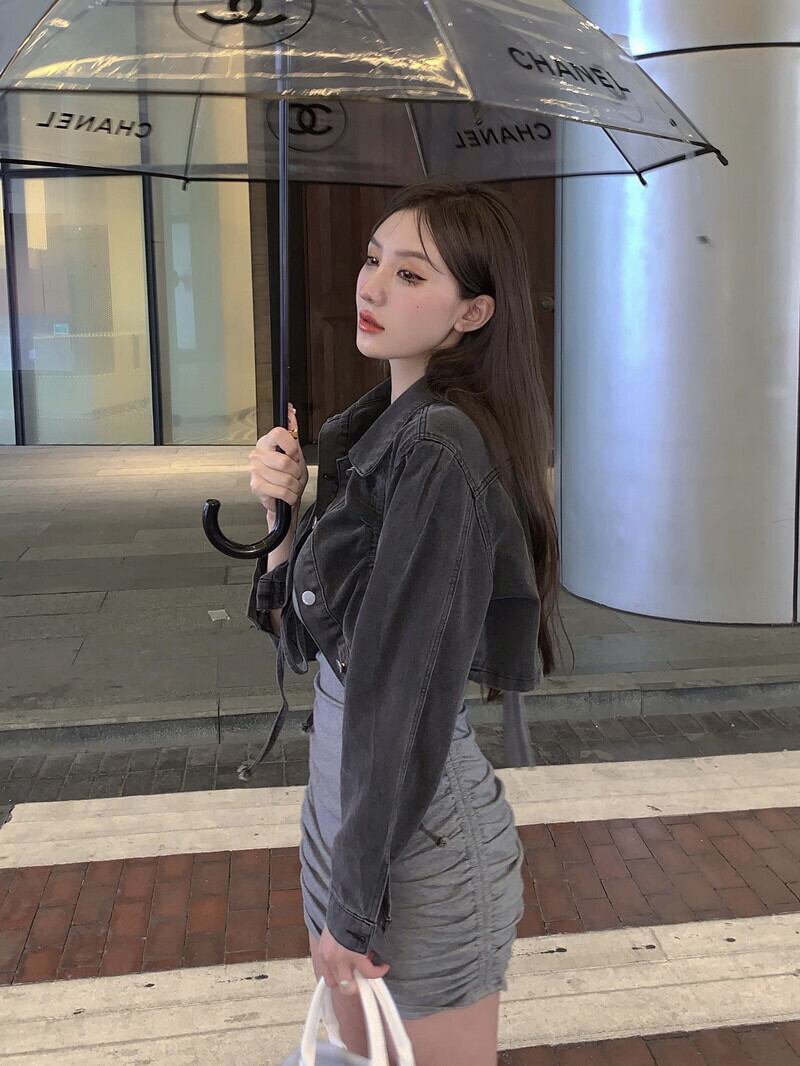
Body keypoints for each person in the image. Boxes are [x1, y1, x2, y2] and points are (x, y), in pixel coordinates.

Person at [247, 179, 560, 1066]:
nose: (373, 285)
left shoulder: (439, 451)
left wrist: (353, 906)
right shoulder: (372, 435)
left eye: (411, 273)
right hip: (347, 817)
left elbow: (399, 695)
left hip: (411, 839)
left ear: (473, 312)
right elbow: (305, 642)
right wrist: (282, 520)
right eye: (373, 258)